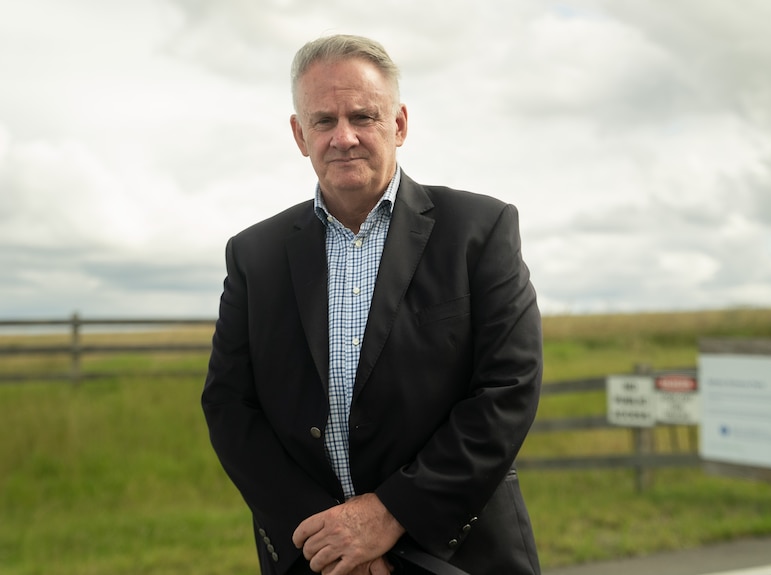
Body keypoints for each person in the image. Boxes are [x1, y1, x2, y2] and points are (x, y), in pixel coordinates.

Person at [202, 34, 543, 575]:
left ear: (399, 124)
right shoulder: (253, 256)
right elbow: (229, 406)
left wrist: (388, 515)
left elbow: (508, 388)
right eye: (323, 121)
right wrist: (330, 538)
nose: (344, 137)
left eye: (363, 116)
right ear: (298, 133)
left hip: (457, 553)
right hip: (314, 559)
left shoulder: (480, 230)